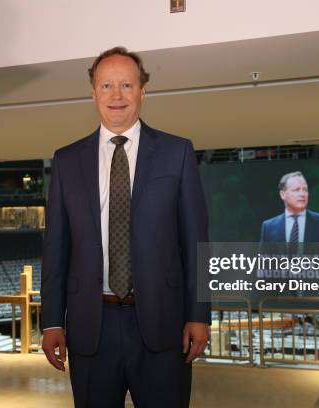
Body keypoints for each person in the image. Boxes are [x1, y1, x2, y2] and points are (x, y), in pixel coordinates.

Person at [40, 46, 210, 408]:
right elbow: (56, 247)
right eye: (106, 86)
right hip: (90, 328)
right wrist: (52, 321)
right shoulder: (66, 161)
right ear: (93, 94)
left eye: (126, 85)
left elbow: (195, 241)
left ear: (142, 92)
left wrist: (198, 314)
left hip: (164, 326)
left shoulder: (176, 153)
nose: (116, 96)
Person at [260, 171, 319, 245]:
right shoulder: (268, 227)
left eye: (305, 190)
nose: (302, 194)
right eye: (296, 190)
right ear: (283, 195)